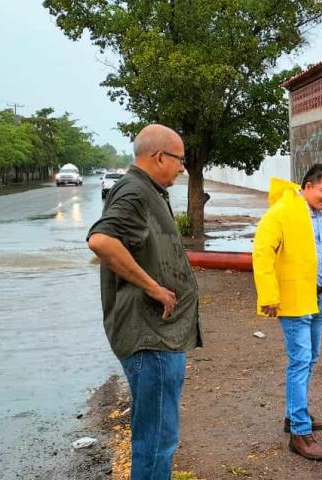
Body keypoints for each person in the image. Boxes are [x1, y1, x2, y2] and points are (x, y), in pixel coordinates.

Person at [86, 124, 201, 479]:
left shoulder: (148, 190)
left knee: (159, 436)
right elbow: (101, 241)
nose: (183, 168)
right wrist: (153, 287)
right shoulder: (135, 192)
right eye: (180, 160)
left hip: (161, 336)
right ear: (159, 156)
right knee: (156, 441)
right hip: (150, 338)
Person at [252, 164, 322, 460]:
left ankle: (294, 415)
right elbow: (262, 250)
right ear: (308, 185)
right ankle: (299, 432)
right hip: (294, 299)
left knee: (309, 359)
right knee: (300, 362)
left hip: (317, 298)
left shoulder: (321, 215)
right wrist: (269, 295)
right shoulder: (282, 211)